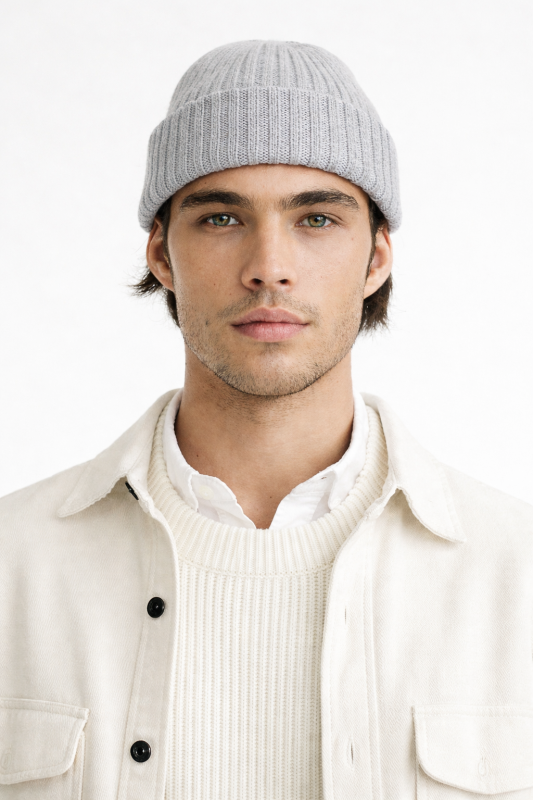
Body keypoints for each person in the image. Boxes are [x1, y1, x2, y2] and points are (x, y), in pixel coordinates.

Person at [1, 39, 532, 800]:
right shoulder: (14, 567)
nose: (269, 266)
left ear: (377, 257)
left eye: (316, 218)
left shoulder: (514, 575)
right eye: (222, 217)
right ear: (162, 254)